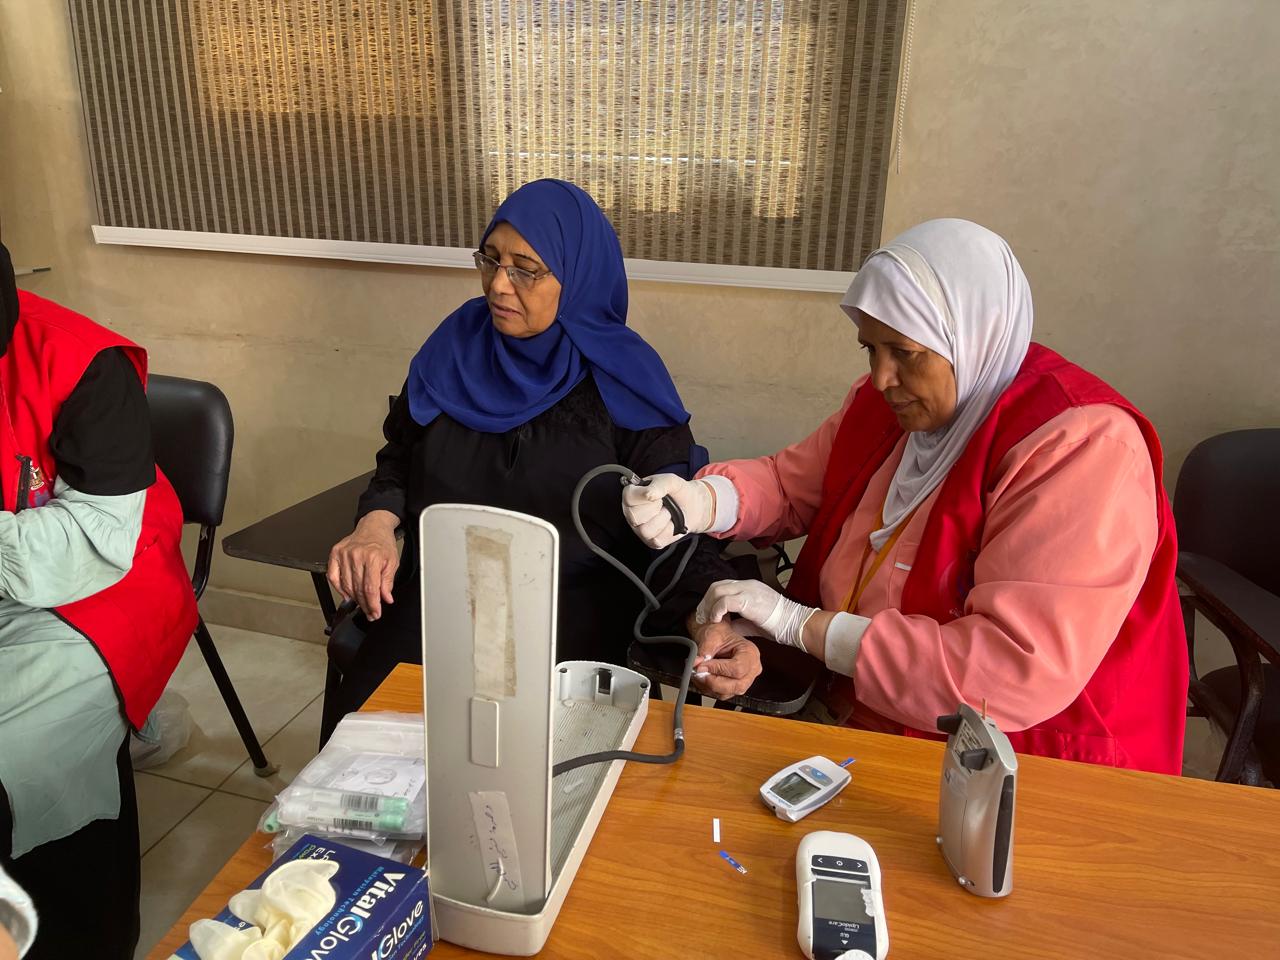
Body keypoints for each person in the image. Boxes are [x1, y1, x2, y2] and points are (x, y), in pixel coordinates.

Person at [623, 219, 1187, 773]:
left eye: (905, 351)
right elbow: (792, 484)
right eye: (870, 349)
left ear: (969, 334)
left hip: (1015, 755)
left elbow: (1009, 670)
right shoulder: (891, 405)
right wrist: (704, 500)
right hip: (858, 709)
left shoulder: (1080, 447)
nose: (882, 377)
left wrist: (799, 625)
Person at [323, 179, 721, 739]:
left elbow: (677, 525)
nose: (498, 284)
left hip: (572, 621)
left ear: (576, 277)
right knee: (367, 754)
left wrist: (704, 617)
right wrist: (376, 522)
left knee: (542, 776)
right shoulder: (454, 348)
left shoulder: (625, 377)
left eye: (526, 269)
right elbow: (400, 457)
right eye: (490, 260)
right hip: (444, 606)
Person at [0, 243, 198, 957]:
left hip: (107, 582)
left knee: (20, 742)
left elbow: (96, 538)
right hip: (13, 572)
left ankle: (69, 931)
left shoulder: (81, 361)